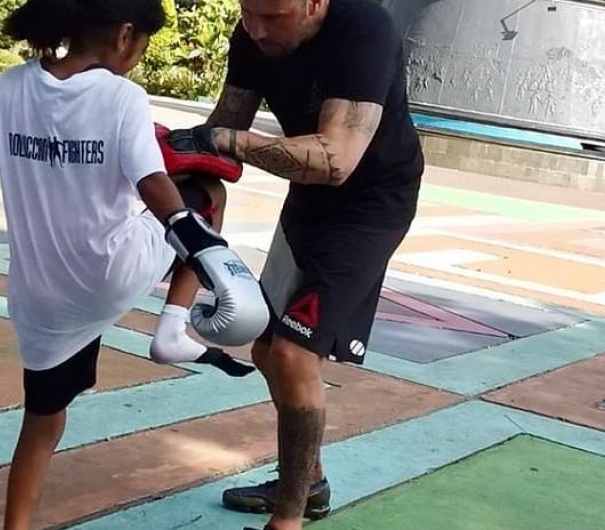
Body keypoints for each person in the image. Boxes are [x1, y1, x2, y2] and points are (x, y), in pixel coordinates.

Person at [0, 0, 268, 528]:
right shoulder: (122, 98)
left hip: (38, 293)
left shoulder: (14, 86)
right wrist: (206, 250)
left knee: (41, 423)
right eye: (143, 45)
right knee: (207, 188)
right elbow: (153, 183)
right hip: (110, 272)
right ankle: (172, 328)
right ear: (124, 34)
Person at [167, 1, 425, 529]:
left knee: (292, 353)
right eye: (248, 14)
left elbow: (336, 159)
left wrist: (225, 141)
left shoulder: (363, 28)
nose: (257, 31)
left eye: (274, 17)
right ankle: (308, 482)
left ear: (314, 4)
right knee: (266, 346)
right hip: (308, 201)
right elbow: (221, 142)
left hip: (372, 204)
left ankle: (287, 520)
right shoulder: (252, 35)